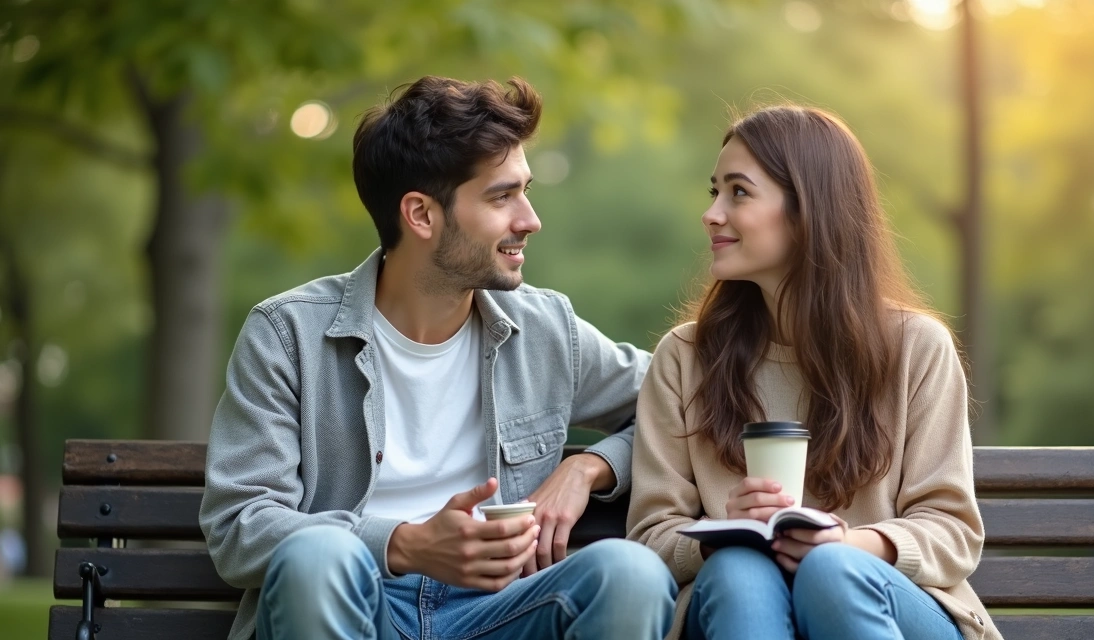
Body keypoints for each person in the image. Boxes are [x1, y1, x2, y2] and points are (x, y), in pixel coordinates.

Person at [200, 75, 675, 640]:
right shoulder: (287, 335)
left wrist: (591, 467)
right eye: (502, 196)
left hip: (501, 610)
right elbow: (240, 526)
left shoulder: (546, 329)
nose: (529, 219)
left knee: (630, 574)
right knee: (316, 557)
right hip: (360, 602)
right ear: (421, 215)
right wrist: (405, 544)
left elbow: (683, 399)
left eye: (526, 191)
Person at [626, 104, 1001, 640]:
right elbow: (650, 536)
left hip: (890, 603)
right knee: (737, 569)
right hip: (738, 603)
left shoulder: (918, 349)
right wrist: (719, 533)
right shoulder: (685, 357)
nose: (711, 214)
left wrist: (845, 544)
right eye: (715, 192)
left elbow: (952, 530)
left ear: (808, 212)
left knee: (831, 571)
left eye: (739, 192)